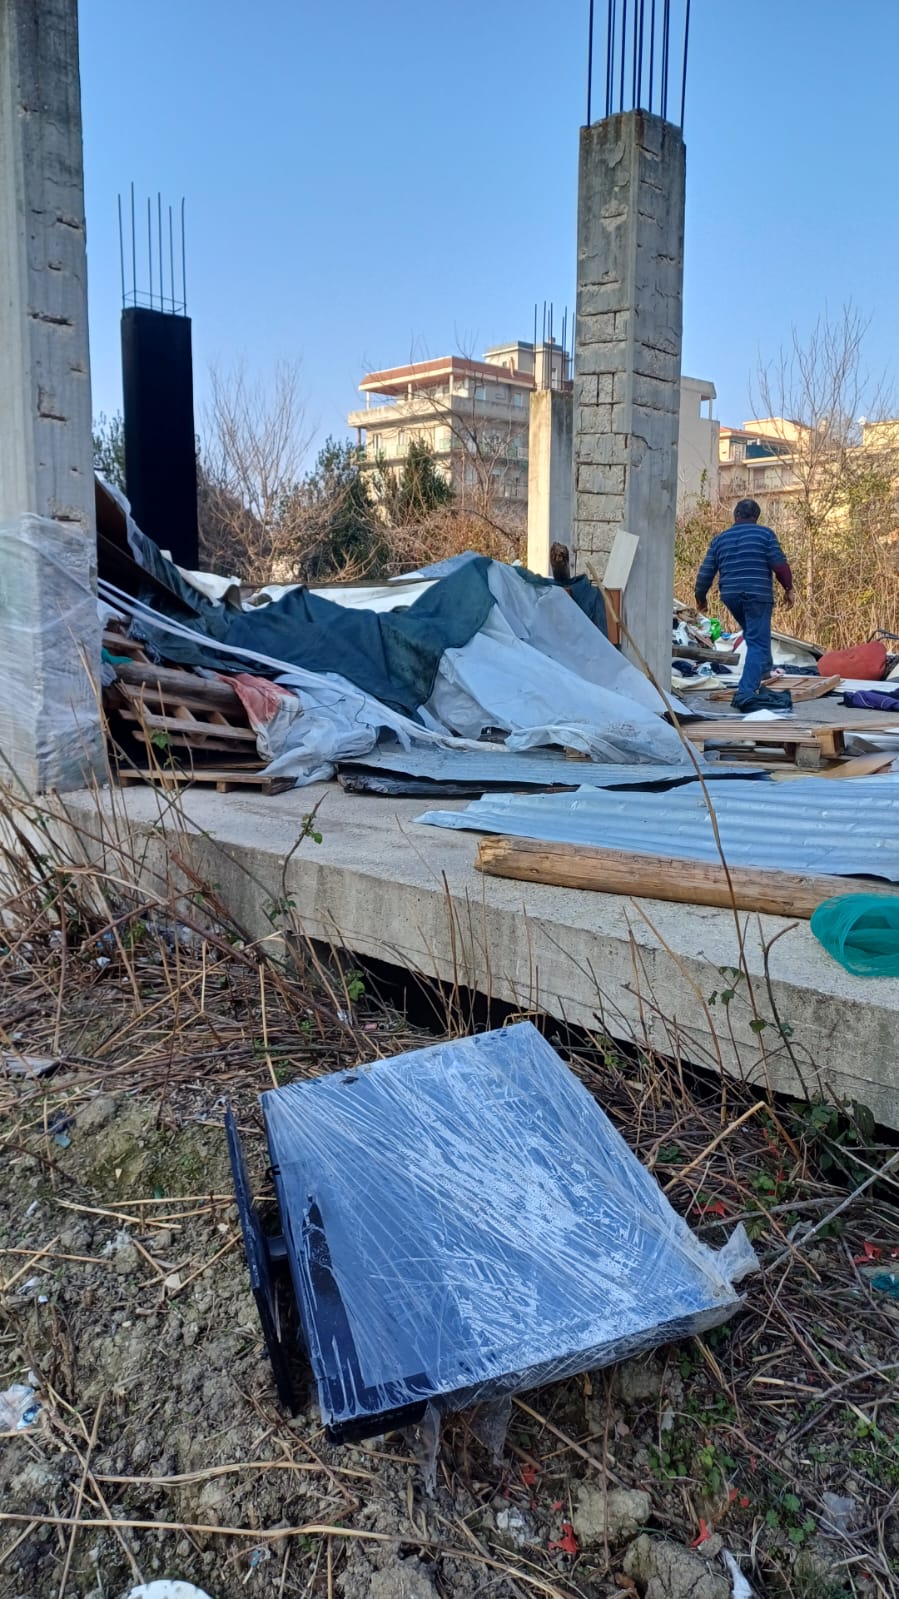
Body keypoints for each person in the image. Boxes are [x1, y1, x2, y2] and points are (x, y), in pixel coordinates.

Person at [695, 498, 795, 710]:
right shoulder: (765, 534)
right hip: (757, 594)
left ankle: (764, 670)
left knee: (754, 634)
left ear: (735, 516)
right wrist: (788, 588)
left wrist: (700, 598)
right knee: (757, 642)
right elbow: (779, 564)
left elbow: (706, 572)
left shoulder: (720, 539)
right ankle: (746, 692)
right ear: (756, 517)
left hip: (730, 596)